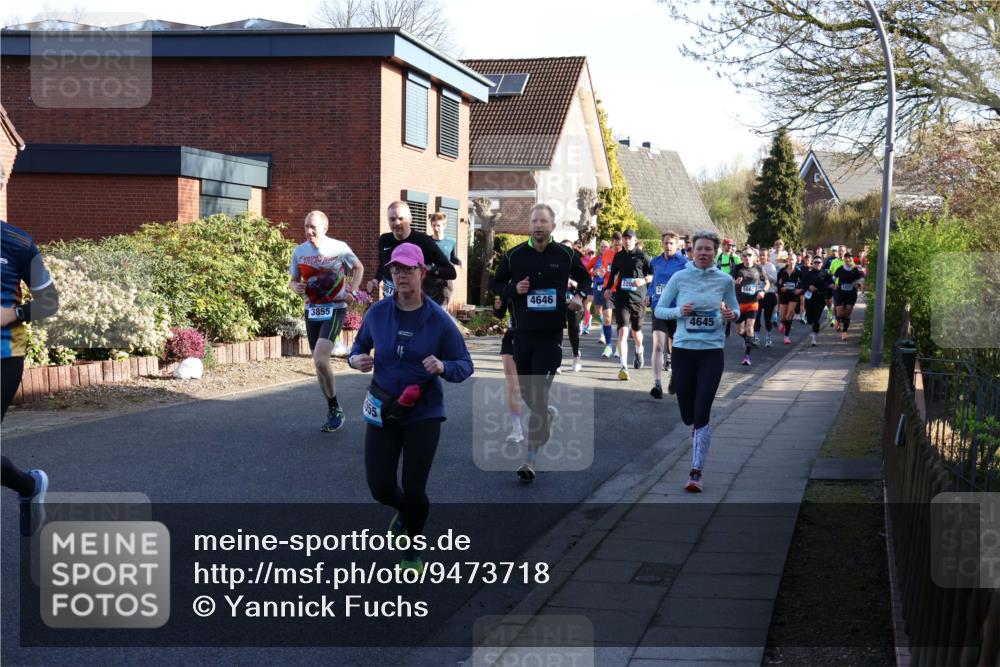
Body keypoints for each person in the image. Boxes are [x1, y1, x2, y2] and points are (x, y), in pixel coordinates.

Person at [348, 243, 473, 572]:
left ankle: (413, 551)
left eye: (408, 269)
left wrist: (444, 367)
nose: (401, 275)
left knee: (415, 488)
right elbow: (358, 347)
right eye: (396, 269)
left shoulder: (438, 320)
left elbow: (464, 364)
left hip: (423, 413)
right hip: (383, 408)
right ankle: (405, 512)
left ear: (422, 272)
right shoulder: (378, 313)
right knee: (381, 488)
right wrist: (355, 359)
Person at [492, 204, 590, 482]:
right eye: (534, 221)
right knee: (527, 393)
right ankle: (545, 415)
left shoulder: (565, 254)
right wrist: (514, 289)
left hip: (550, 336)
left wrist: (579, 297)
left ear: (552, 226)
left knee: (538, 391)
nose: (538, 226)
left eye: (543, 221)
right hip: (522, 335)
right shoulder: (514, 256)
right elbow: (496, 284)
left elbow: (586, 278)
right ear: (529, 225)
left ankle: (529, 459)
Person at [654, 230, 739, 492]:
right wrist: (679, 311)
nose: (703, 253)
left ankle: (696, 473)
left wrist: (731, 315)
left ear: (715, 252)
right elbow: (659, 309)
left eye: (708, 249)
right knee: (687, 415)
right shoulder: (680, 277)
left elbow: (735, 308)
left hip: (711, 352)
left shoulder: (725, 280)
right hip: (683, 351)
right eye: (699, 248)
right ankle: (694, 428)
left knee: (702, 412)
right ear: (691, 251)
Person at [2, 218, 59, 537]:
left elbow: (50, 302)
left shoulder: (18, 243)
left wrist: (13, 313)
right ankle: (29, 485)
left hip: (4, 354)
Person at [289, 211, 364, 432]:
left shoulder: (339, 247)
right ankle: (333, 409)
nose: (309, 231)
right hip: (312, 310)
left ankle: (334, 407)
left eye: (313, 227)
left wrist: (353, 291)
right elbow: (293, 281)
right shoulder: (299, 252)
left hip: (335, 308)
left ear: (325, 228)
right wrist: (296, 287)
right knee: (318, 363)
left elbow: (358, 267)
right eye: (306, 226)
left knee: (321, 359)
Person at [367, 201, 457, 306]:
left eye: (401, 218)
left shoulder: (423, 241)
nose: (396, 223)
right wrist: (376, 280)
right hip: (392, 303)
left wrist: (428, 269)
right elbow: (383, 265)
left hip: (416, 305)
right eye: (392, 219)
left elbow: (451, 272)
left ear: (410, 219)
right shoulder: (384, 240)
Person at [604, 229, 653, 380]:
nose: (627, 241)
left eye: (630, 238)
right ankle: (623, 367)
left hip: (638, 299)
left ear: (635, 240)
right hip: (622, 299)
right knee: (622, 332)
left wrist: (643, 280)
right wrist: (607, 288)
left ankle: (639, 350)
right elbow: (613, 275)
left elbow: (652, 275)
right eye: (625, 238)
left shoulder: (642, 256)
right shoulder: (618, 256)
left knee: (636, 333)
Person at [648, 231, 686, 398]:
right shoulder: (655, 261)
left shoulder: (684, 263)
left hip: (676, 310)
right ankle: (657, 384)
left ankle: (674, 376)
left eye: (671, 243)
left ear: (677, 245)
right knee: (658, 345)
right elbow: (654, 281)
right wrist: (648, 294)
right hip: (658, 308)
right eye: (666, 243)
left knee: (675, 347)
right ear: (662, 244)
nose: (668, 246)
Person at [494, 294, 523, 443]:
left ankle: (542, 414)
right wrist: (497, 306)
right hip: (512, 335)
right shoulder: (508, 287)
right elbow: (499, 313)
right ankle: (517, 429)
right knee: (513, 385)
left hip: (536, 337)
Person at [732, 248, 767, 366]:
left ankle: (747, 357)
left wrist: (762, 291)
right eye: (745, 255)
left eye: (749, 255)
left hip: (753, 302)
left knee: (750, 327)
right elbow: (729, 282)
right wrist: (735, 282)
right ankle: (748, 339)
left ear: (754, 256)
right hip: (739, 303)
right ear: (742, 257)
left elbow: (767, 283)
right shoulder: (737, 268)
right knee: (740, 331)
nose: (747, 257)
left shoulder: (759, 268)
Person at [557, 239, 585, 373]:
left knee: (573, 331)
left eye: (568, 248)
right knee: (556, 330)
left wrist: (573, 283)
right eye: (563, 248)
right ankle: (556, 361)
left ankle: (575, 355)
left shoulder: (577, 264)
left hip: (574, 302)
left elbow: (586, 282)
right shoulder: (554, 263)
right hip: (558, 301)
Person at [428, 212, 461, 310]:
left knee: (442, 309)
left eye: (438, 225)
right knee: (429, 309)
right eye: (434, 225)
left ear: (444, 226)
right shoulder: (427, 241)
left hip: (445, 280)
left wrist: (459, 262)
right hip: (430, 280)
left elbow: (452, 258)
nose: (436, 228)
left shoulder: (451, 242)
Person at [597, 233, 623, 358]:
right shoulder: (607, 253)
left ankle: (619, 346)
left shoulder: (625, 254)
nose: (618, 247)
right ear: (612, 242)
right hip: (608, 289)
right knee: (607, 317)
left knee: (620, 319)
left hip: (621, 290)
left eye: (620, 245)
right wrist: (601, 273)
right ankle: (608, 346)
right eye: (616, 244)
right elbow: (603, 271)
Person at [801, 256, 833, 346]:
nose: (817, 264)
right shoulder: (808, 274)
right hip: (809, 297)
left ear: (822, 264)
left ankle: (814, 338)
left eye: (819, 262)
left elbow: (831, 283)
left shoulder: (825, 274)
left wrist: (831, 287)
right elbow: (802, 284)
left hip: (820, 297)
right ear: (812, 264)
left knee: (816, 318)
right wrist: (809, 287)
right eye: (815, 262)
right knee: (809, 318)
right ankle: (813, 328)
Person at [833, 254, 864, 341]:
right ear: (844, 260)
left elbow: (859, 281)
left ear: (851, 259)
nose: (848, 260)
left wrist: (857, 285)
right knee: (840, 313)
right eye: (846, 258)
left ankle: (844, 332)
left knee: (847, 313)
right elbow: (833, 278)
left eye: (849, 258)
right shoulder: (840, 269)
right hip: (840, 293)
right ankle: (838, 320)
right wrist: (834, 285)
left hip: (851, 294)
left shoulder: (855, 270)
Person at [776, 253, 803, 345]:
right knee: (783, 317)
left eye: (793, 259)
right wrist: (781, 287)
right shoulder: (782, 271)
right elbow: (777, 283)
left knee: (789, 315)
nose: (791, 261)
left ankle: (786, 336)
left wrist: (799, 290)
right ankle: (783, 323)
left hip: (793, 295)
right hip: (784, 295)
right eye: (790, 259)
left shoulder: (798, 271)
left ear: (796, 260)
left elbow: (803, 283)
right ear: (787, 260)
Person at [754, 249, 779, 347]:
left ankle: (768, 337)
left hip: (769, 294)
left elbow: (775, 280)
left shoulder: (771, 266)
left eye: (763, 255)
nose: (761, 257)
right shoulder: (755, 266)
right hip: (758, 294)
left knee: (767, 318)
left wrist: (765, 273)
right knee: (756, 316)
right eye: (760, 255)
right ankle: (756, 338)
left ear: (767, 256)